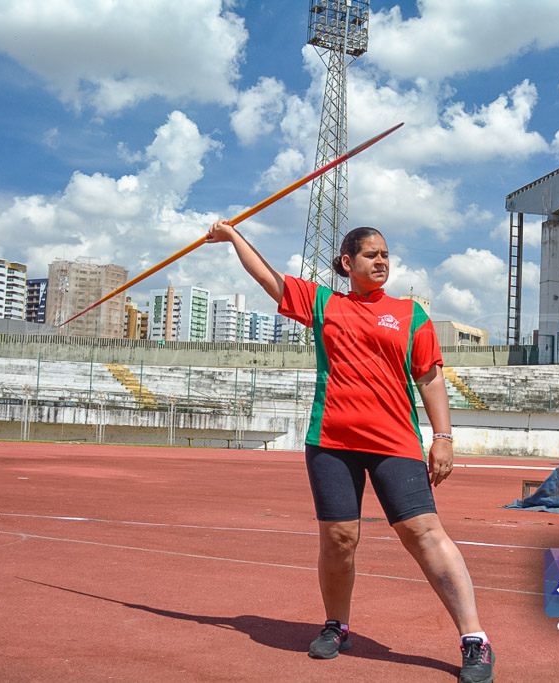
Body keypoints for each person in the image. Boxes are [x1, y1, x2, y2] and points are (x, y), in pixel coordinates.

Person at [205, 220, 495, 683]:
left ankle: (474, 640)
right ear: (347, 263)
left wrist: (444, 437)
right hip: (331, 442)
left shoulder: (409, 313)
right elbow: (268, 279)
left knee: (424, 533)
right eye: (371, 255)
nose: (382, 262)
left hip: (395, 442)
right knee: (339, 540)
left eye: (385, 255)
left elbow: (430, 377)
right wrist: (234, 236)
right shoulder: (323, 303)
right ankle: (336, 625)